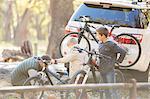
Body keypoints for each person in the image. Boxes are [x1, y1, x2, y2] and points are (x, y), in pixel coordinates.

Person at [96, 27, 126, 99]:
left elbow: (123, 52)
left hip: (109, 69)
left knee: (112, 89)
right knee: (105, 89)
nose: (96, 36)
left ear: (102, 35)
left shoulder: (111, 44)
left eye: (97, 35)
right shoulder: (100, 43)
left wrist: (118, 61)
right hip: (102, 69)